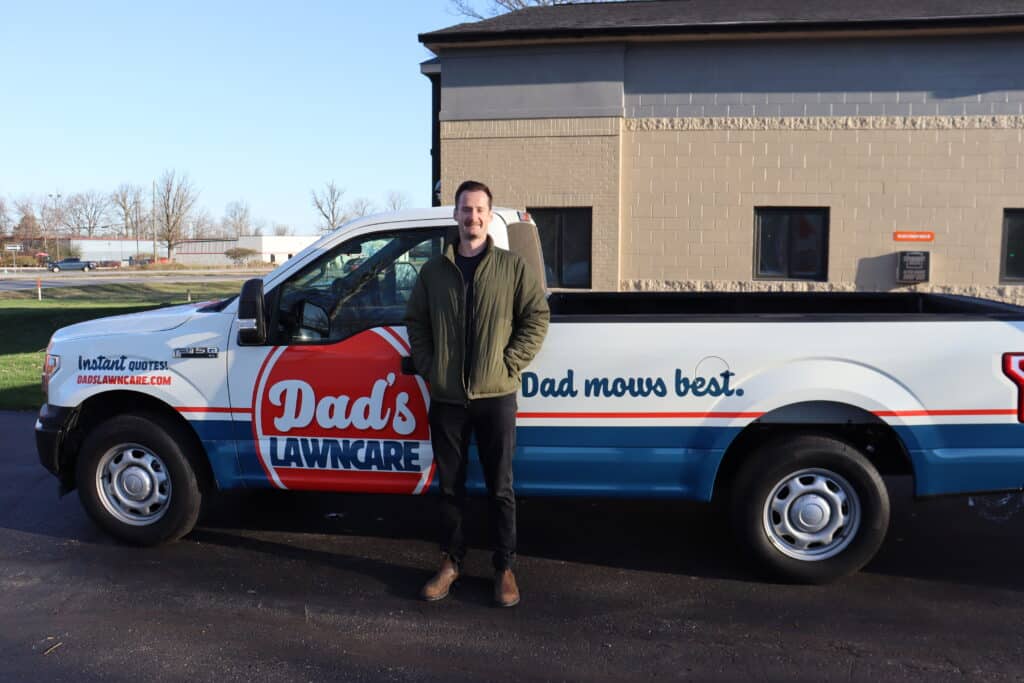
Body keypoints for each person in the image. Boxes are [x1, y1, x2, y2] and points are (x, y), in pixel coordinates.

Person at [404, 180, 550, 607]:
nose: (473, 217)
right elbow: (416, 322)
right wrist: (431, 368)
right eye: (466, 209)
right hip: (448, 399)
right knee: (450, 488)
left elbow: (536, 317)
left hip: (496, 396)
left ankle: (504, 568)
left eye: (480, 210)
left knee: (500, 488)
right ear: (455, 215)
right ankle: (451, 562)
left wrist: (509, 363)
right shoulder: (433, 272)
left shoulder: (511, 267)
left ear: (489, 215)